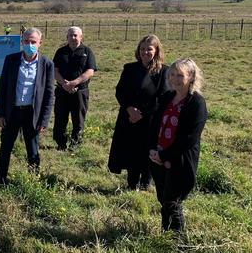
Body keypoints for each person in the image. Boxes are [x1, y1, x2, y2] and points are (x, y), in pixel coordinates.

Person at [149, 58, 207, 233]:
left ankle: (177, 241)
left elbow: (190, 138)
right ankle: (165, 233)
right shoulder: (167, 97)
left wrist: (165, 155)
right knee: (163, 198)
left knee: (172, 201)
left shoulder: (196, 103)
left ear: (191, 77)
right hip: (157, 157)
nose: (174, 79)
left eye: (180, 75)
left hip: (178, 160)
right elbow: (155, 125)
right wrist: (152, 150)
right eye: (172, 74)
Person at [108, 35, 169, 190]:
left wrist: (142, 113)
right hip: (129, 118)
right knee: (131, 150)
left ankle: (145, 182)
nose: (145, 52)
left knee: (147, 151)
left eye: (149, 49)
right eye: (142, 49)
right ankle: (131, 182)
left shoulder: (164, 72)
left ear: (156, 51)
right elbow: (120, 91)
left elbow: (162, 97)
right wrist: (129, 109)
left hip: (150, 119)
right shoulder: (130, 68)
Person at [0, 27, 54, 185]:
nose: (30, 44)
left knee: (33, 150)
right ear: (22, 42)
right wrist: (0, 113)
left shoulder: (47, 64)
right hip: (12, 112)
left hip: (32, 114)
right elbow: (3, 88)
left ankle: (32, 183)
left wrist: (44, 120)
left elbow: (49, 94)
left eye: (33, 42)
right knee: (5, 149)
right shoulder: (11, 60)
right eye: (26, 41)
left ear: (40, 43)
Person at [52, 26, 97, 150]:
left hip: (80, 92)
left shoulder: (87, 51)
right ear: (67, 37)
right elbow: (54, 71)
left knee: (78, 119)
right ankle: (60, 144)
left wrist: (74, 83)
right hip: (62, 91)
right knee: (60, 118)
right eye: (70, 35)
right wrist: (64, 84)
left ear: (81, 37)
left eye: (75, 35)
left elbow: (90, 71)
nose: (73, 38)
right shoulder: (60, 52)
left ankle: (75, 144)